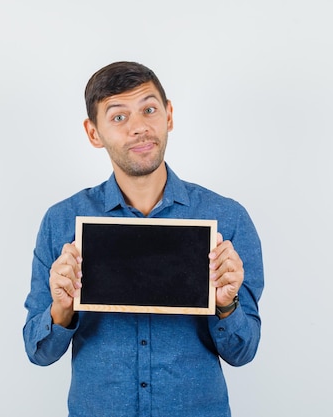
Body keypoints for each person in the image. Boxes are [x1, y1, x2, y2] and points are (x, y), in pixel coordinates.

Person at [22, 61, 264, 417]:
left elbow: (243, 352)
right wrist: (62, 308)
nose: (139, 127)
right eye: (119, 117)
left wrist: (226, 305)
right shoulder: (62, 222)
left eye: (149, 110)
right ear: (94, 133)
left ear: (168, 116)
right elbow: (39, 352)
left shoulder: (227, 218)